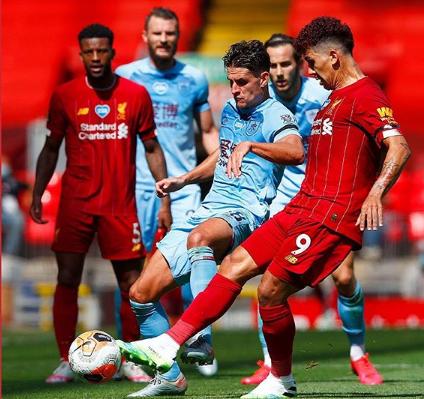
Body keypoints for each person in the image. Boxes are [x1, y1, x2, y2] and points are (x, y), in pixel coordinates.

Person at [116, 17, 411, 399]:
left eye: (311, 62)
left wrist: (376, 193)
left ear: (334, 57)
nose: (309, 71)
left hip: (329, 215)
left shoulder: (366, 96)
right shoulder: (332, 98)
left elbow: (399, 146)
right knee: (235, 265)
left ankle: (282, 380)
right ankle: (171, 342)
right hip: (300, 207)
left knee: (272, 290)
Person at [117, 39, 304, 397]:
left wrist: (253, 146)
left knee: (200, 239)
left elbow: (296, 151)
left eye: (242, 82)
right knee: (140, 293)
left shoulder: (276, 115)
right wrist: (184, 178)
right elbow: (223, 153)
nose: (234, 90)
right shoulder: (233, 110)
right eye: (231, 81)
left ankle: (199, 336)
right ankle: (169, 377)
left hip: (245, 211)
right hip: (208, 207)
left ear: (264, 78)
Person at [240, 33, 383, 386]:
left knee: (345, 276)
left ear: (299, 64)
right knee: (268, 282)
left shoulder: (324, 94)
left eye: (286, 63)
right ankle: (272, 361)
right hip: (286, 198)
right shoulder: (264, 101)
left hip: (328, 198)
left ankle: (358, 352)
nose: (279, 71)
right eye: (271, 65)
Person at [30, 23, 169, 384]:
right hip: (75, 204)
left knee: (131, 285)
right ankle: (65, 359)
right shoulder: (65, 95)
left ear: (112, 52)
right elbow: (50, 149)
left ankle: (131, 358)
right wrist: (36, 193)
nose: (95, 57)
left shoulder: (136, 95)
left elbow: (152, 147)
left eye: (101, 51)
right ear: (81, 54)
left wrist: (164, 195)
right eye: (88, 51)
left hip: (120, 206)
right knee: (67, 278)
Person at [115, 8, 219, 377]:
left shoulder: (193, 77)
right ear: (145, 36)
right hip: (136, 187)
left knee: (195, 263)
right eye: (157, 33)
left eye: (170, 33)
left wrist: (220, 164)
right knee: (130, 272)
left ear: (178, 35)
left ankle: (198, 340)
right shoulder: (124, 76)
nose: (164, 39)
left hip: (185, 185)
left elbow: (206, 130)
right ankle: (130, 354)